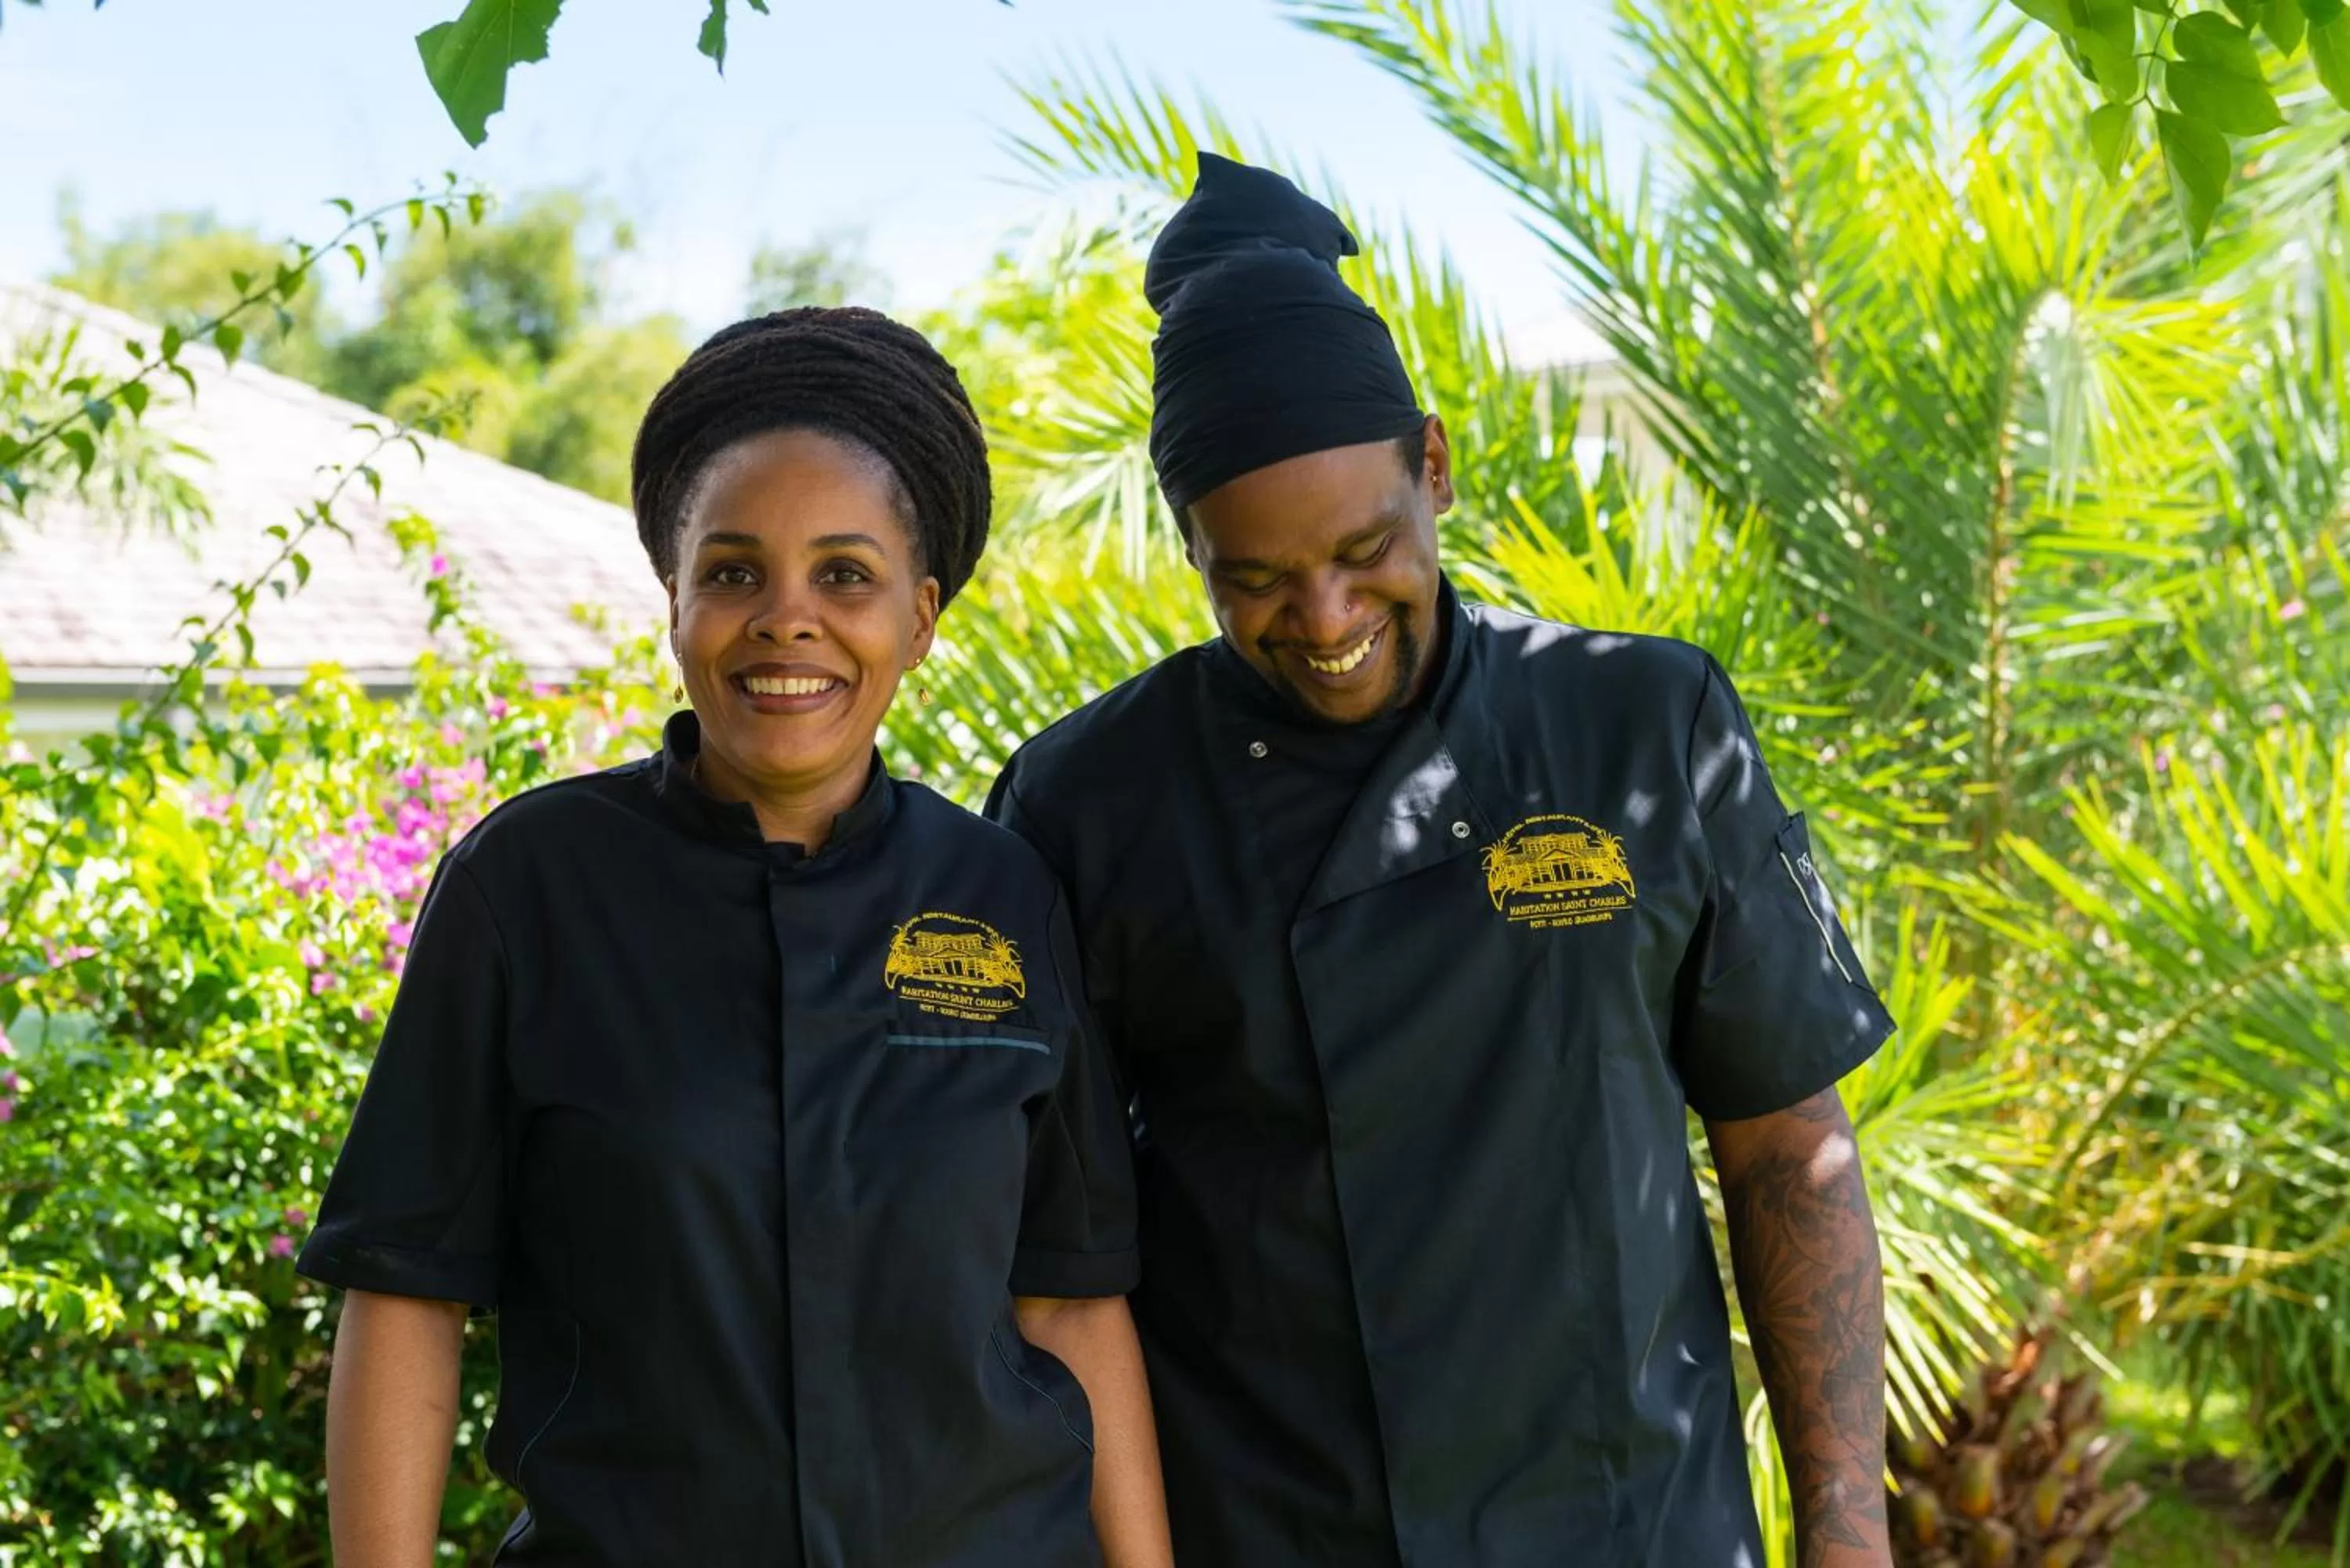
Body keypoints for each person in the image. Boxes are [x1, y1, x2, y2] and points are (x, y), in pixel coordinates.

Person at [987, 154, 1897, 1567]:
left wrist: (1848, 1533)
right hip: (1281, 1533)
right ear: (1192, 545)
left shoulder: (1645, 726)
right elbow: (1063, 1271)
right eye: (1257, 579)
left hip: (1634, 1528)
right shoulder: (1087, 802)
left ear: (1435, 463)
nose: (1326, 616)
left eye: (1366, 550)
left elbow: (1792, 1149)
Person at [299, 307, 1173, 1568]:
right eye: (733, 572)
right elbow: (405, 1294)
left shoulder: (1005, 896)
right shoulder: (527, 890)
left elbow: (1070, 1302)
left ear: (921, 617)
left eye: (846, 575)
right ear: (674, 601)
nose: (786, 618)